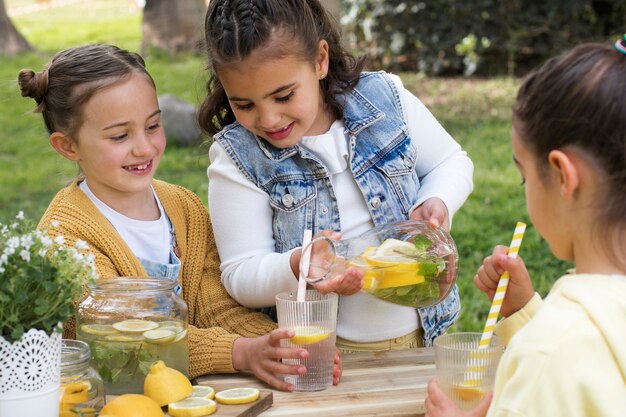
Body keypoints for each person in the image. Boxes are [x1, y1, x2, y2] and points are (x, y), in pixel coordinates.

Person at [19, 43, 341, 391]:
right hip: (115, 402)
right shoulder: (65, 237)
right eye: (119, 136)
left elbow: (215, 307)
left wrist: (282, 345)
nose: (144, 147)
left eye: (153, 125)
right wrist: (240, 353)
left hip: (187, 394)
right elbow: (130, 340)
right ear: (68, 146)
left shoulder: (183, 207)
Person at [199, 0, 474, 352]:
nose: (267, 119)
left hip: (427, 337)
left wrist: (436, 201)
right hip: (324, 352)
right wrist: (299, 264)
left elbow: (451, 161)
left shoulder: (383, 100)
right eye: (244, 104)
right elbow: (241, 274)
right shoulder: (239, 156)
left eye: (283, 96)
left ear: (320, 60)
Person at [425, 39, 626, 417]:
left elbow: (563, 355)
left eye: (524, 177)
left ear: (563, 176)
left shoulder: (547, 355)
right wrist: (524, 312)